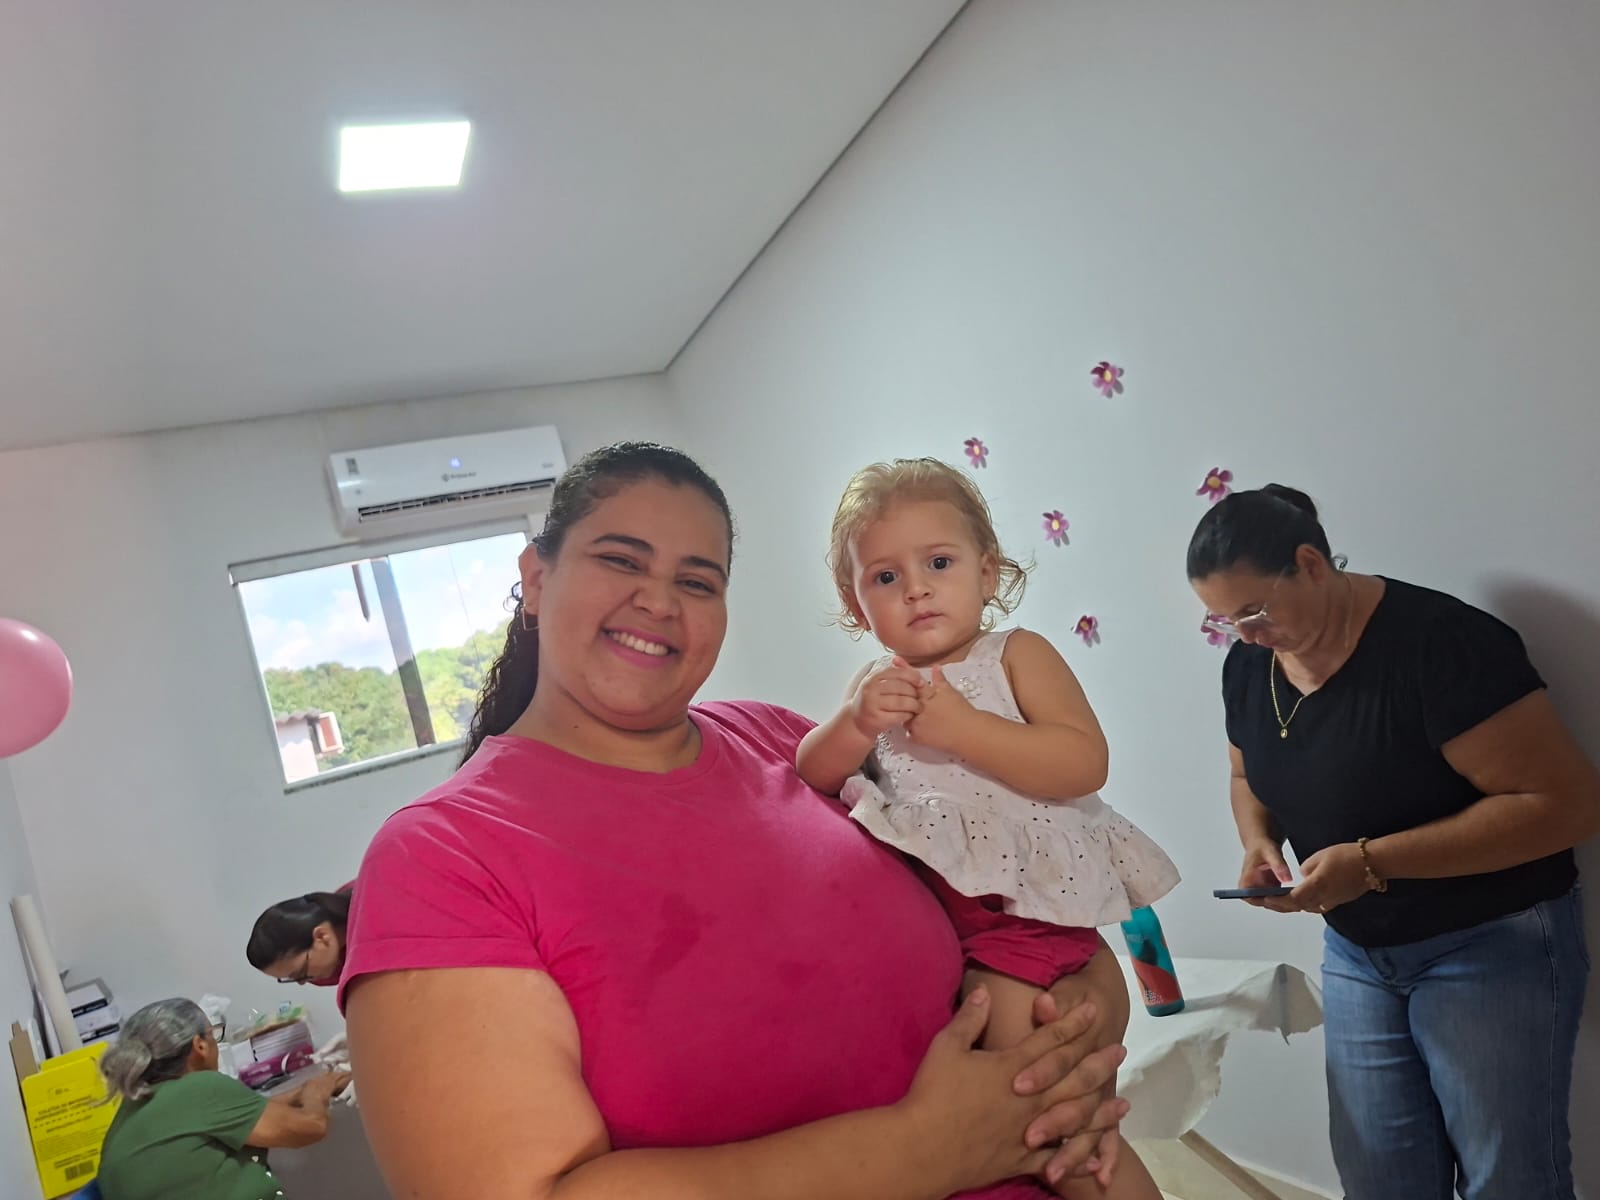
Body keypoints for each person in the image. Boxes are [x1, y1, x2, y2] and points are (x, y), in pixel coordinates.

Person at [341, 442, 1132, 1200]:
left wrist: (1083, 1014)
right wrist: (925, 1149)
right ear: (537, 579)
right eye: (621, 560)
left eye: (698, 580)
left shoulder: (784, 741)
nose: (659, 601)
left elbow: (993, 900)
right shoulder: (441, 856)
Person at [1187, 484, 1600, 1200]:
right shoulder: (1251, 665)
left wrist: (1371, 863)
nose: (1245, 636)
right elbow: (1245, 774)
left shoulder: (1441, 645)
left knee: (1509, 1179)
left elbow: (1565, 806)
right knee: (1380, 1177)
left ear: (1310, 564)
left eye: (1253, 612)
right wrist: (1259, 843)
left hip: (1489, 942)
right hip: (1359, 952)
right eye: (1224, 621)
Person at [797, 457, 1177, 1200]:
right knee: (1063, 1115)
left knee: (1048, 1109)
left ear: (988, 571)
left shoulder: (1015, 656)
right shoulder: (876, 687)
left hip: (1031, 920)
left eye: (938, 563)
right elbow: (812, 773)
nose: (915, 588)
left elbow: (1083, 761)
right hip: (956, 931)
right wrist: (855, 723)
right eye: (885, 577)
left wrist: (965, 729)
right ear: (855, 603)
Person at [96, 997, 350, 1200]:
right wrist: (319, 1089)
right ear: (200, 1046)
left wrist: (313, 1087)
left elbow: (250, 1112)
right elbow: (311, 1127)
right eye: (213, 1033)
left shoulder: (135, 1105)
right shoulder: (201, 1087)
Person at [245, 888, 351, 987]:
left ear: (321, 936)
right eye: (290, 978)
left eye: (301, 973)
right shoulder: (329, 971)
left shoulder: (358, 912)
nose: (302, 983)